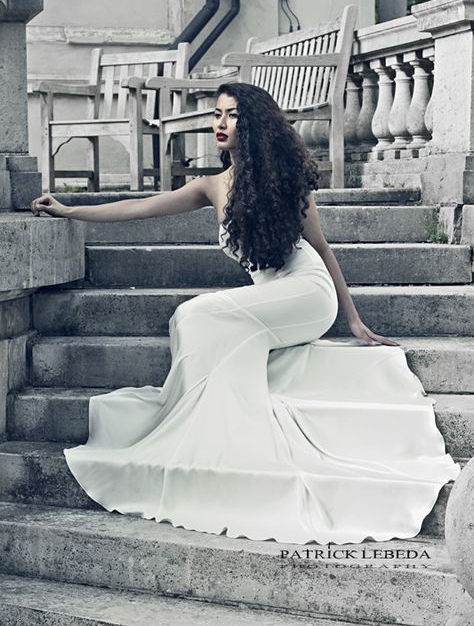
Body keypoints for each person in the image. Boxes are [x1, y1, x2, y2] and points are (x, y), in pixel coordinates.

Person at [30, 82, 460, 545]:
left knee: (198, 314)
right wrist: (72, 210)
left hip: (309, 294)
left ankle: (216, 439)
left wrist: (353, 320)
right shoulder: (211, 186)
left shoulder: (286, 177)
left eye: (231, 116)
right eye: (216, 114)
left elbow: (321, 249)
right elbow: (141, 208)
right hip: (270, 297)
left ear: (251, 124)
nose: (219, 124)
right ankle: (202, 433)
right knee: (194, 319)